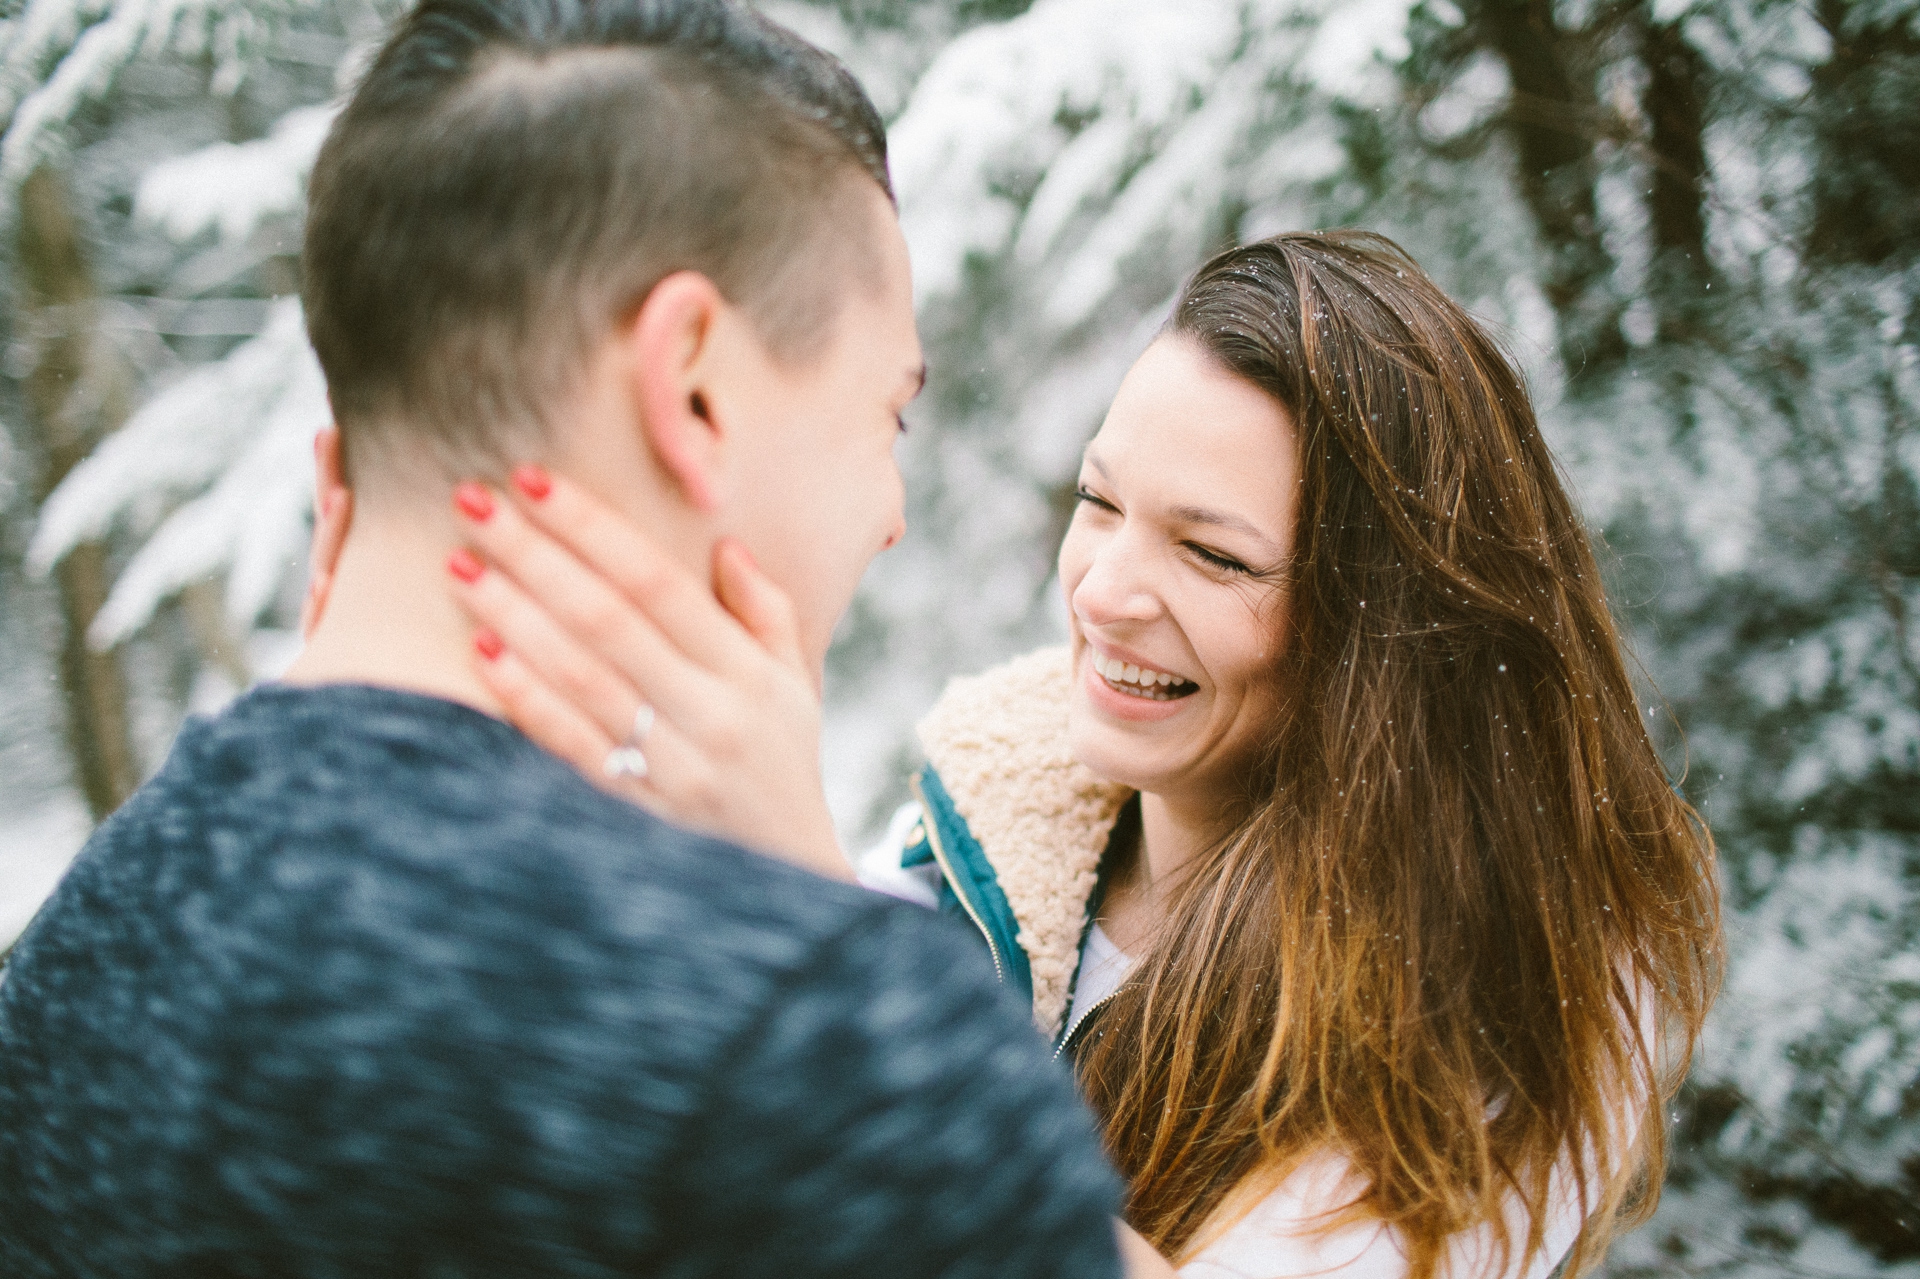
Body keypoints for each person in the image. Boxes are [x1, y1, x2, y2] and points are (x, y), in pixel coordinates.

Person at [0, 1, 1163, 1275]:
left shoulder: (74, 956)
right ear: (693, 383)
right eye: (886, 414)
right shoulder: (814, 1042)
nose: (889, 517)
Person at [444, 232, 1723, 1277]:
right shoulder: (992, 831)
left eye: (1212, 554)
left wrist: (812, 908)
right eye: (1099, 501)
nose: (1106, 589)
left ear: (1384, 635)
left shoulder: (1510, 985)